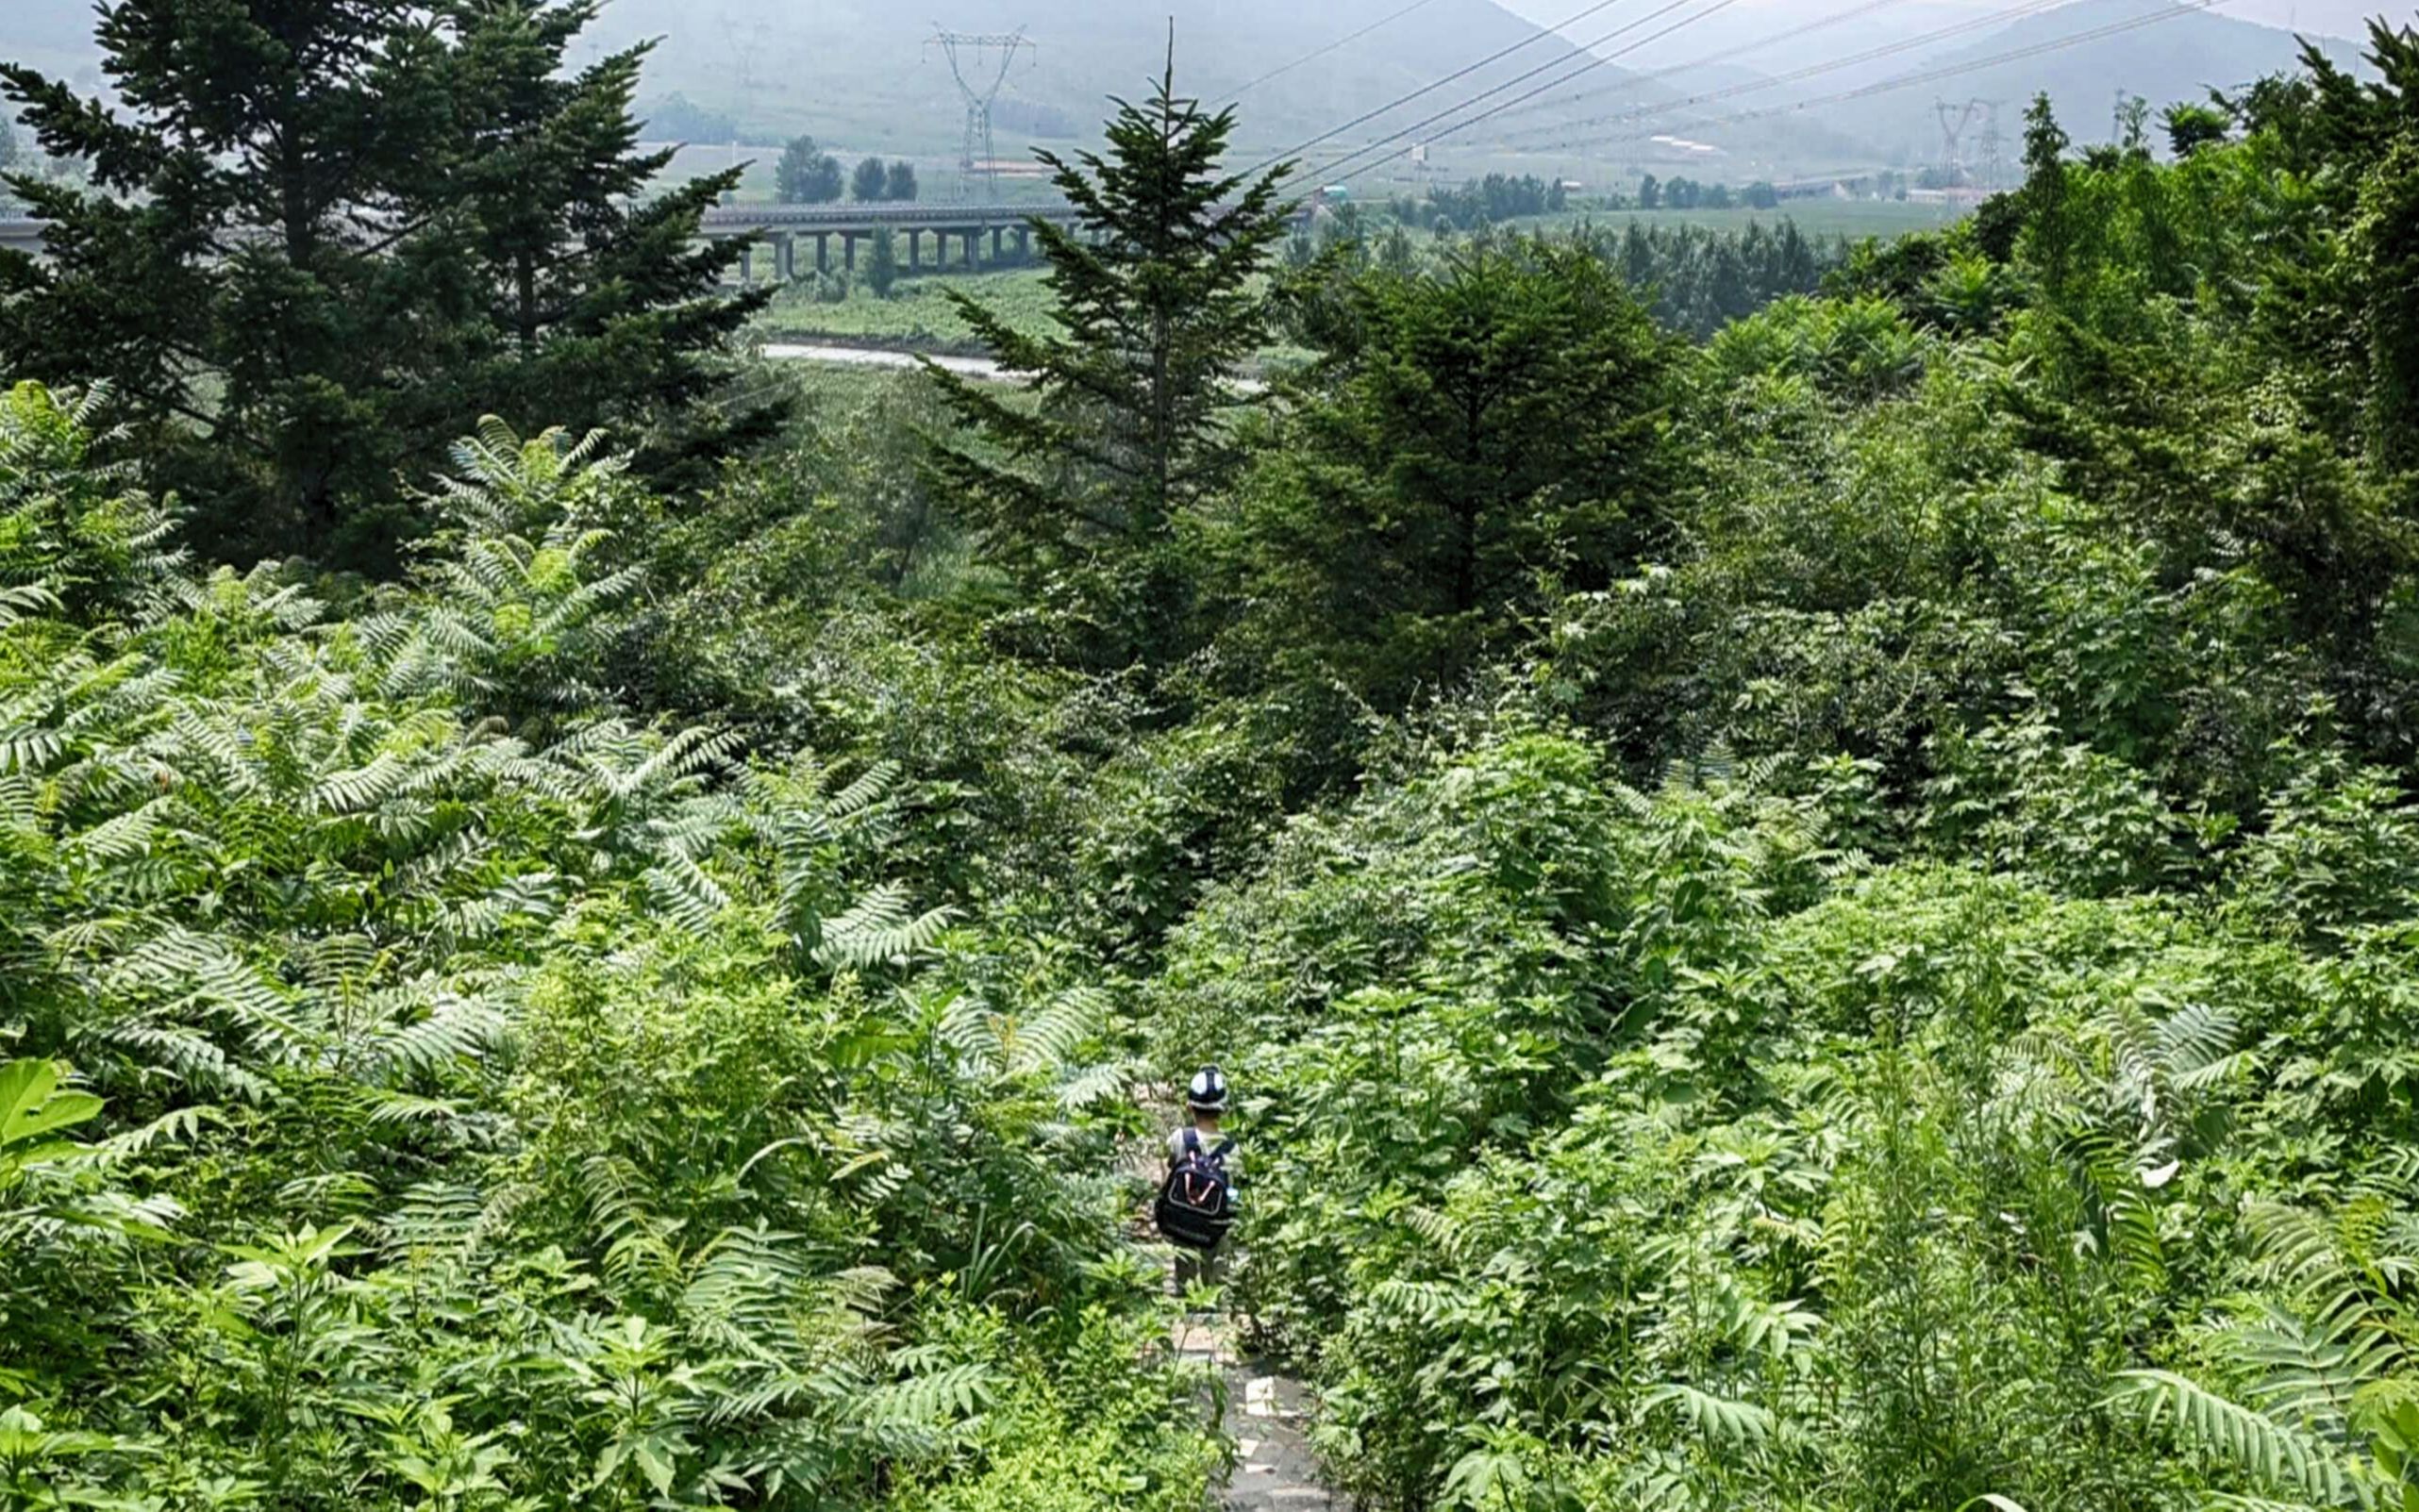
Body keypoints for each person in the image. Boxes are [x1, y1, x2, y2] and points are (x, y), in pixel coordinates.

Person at [1164, 1065, 1237, 1296]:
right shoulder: (1231, 1148)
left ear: (1190, 1107)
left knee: (1184, 1265)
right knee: (1216, 1268)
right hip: (1215, 1223)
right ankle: (1213, 1304)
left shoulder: (1179, 1138)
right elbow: (1234, 1188)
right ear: (1223, 1110)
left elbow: (1170, 1168)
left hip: (1183, 1220)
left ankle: (1185, 1300)